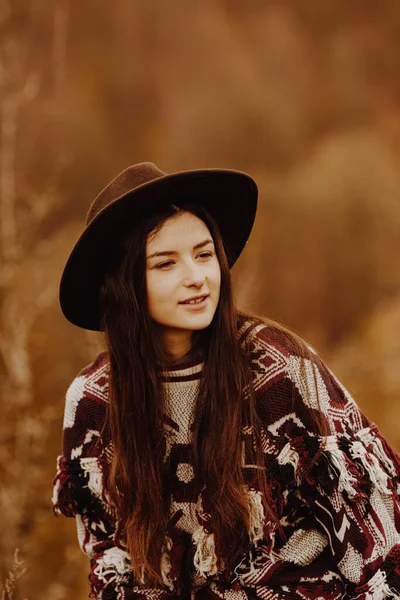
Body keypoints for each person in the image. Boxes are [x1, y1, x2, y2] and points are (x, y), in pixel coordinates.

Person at [52, 162, 400, 600]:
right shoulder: (93, 399)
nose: (196, 277)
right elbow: (107, 548)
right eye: (165, 264)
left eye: (204, 254)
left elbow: (373, 533)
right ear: (122, 284)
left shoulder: (278, 369)